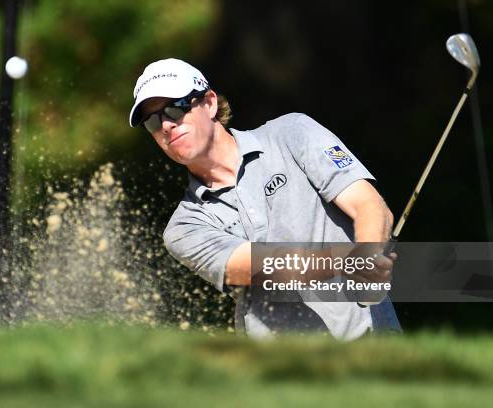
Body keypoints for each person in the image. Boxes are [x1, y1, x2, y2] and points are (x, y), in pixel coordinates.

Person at [129, 58, 401, 340]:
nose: (166, 125)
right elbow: (260, 266)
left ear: (209, 103)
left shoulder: (292, 133)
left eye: (175, 108)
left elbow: (369, 204)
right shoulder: (183, 227)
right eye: (152, 121)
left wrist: (369, 255)